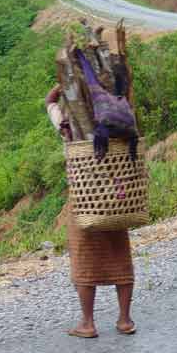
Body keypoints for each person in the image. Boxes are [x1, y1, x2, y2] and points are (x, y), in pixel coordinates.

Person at [45, 84, 136, 338]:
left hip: (84, 199)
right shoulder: (117, 119)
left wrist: (63, 85)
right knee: (120, 256)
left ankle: (87, 323)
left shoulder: (68, 124)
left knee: (84, 259)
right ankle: (125, 319)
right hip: (118, 197)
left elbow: (49, 101)